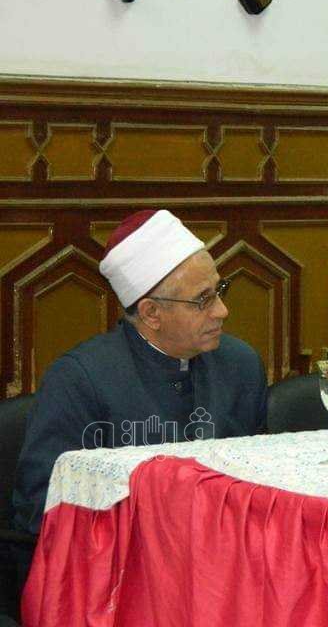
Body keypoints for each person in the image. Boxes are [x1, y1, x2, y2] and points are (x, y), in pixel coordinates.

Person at [12, 210, 267, 536]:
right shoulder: (79, 381)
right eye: (203, 299)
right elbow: (43, 506)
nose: (222, 310)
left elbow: (263, 481)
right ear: (151, 313)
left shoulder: (241, 364)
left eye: (219, 290)